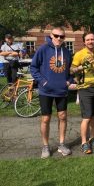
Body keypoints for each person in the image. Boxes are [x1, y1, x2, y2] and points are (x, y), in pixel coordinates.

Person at [30, 27, 74, 159]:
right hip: (46, 91)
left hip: (61, 91)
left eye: (62, 36)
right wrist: (42, 82)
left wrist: (69, 81)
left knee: (62, 116)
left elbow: (70, 71)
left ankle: (61, 144)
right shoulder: (43, 49)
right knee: (45, 119)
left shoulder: (66, 52)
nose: (59, 38)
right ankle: (45, 146)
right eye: (56, 36)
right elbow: (33, 67)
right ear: (51, 35)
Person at [71, 32, 94, 154]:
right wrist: (80, 67)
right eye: (88, 40)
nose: (90, 41)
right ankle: (84, 143)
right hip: (84, 88)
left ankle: (93, 138)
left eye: (92, 39)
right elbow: (71, 70)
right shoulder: (79, 54)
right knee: (87, 117)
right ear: (84, 42)